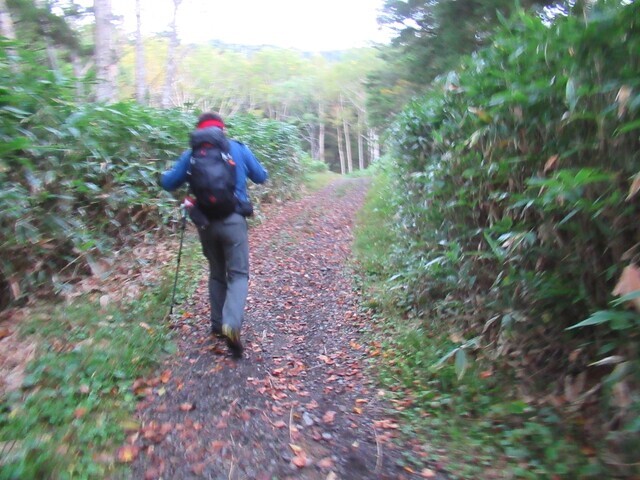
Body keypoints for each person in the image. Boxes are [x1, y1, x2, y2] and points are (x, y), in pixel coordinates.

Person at [160, 112, 268, 358]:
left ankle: (218, 325)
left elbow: (168, 183)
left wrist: (164, 174)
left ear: (199, 131)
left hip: (206, 222)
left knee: (217, 273)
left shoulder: (191, 155)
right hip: (234, 220)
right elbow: (261, 177)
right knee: (238, 274)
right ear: (223, 129)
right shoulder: (237, 149)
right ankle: (232, 323)